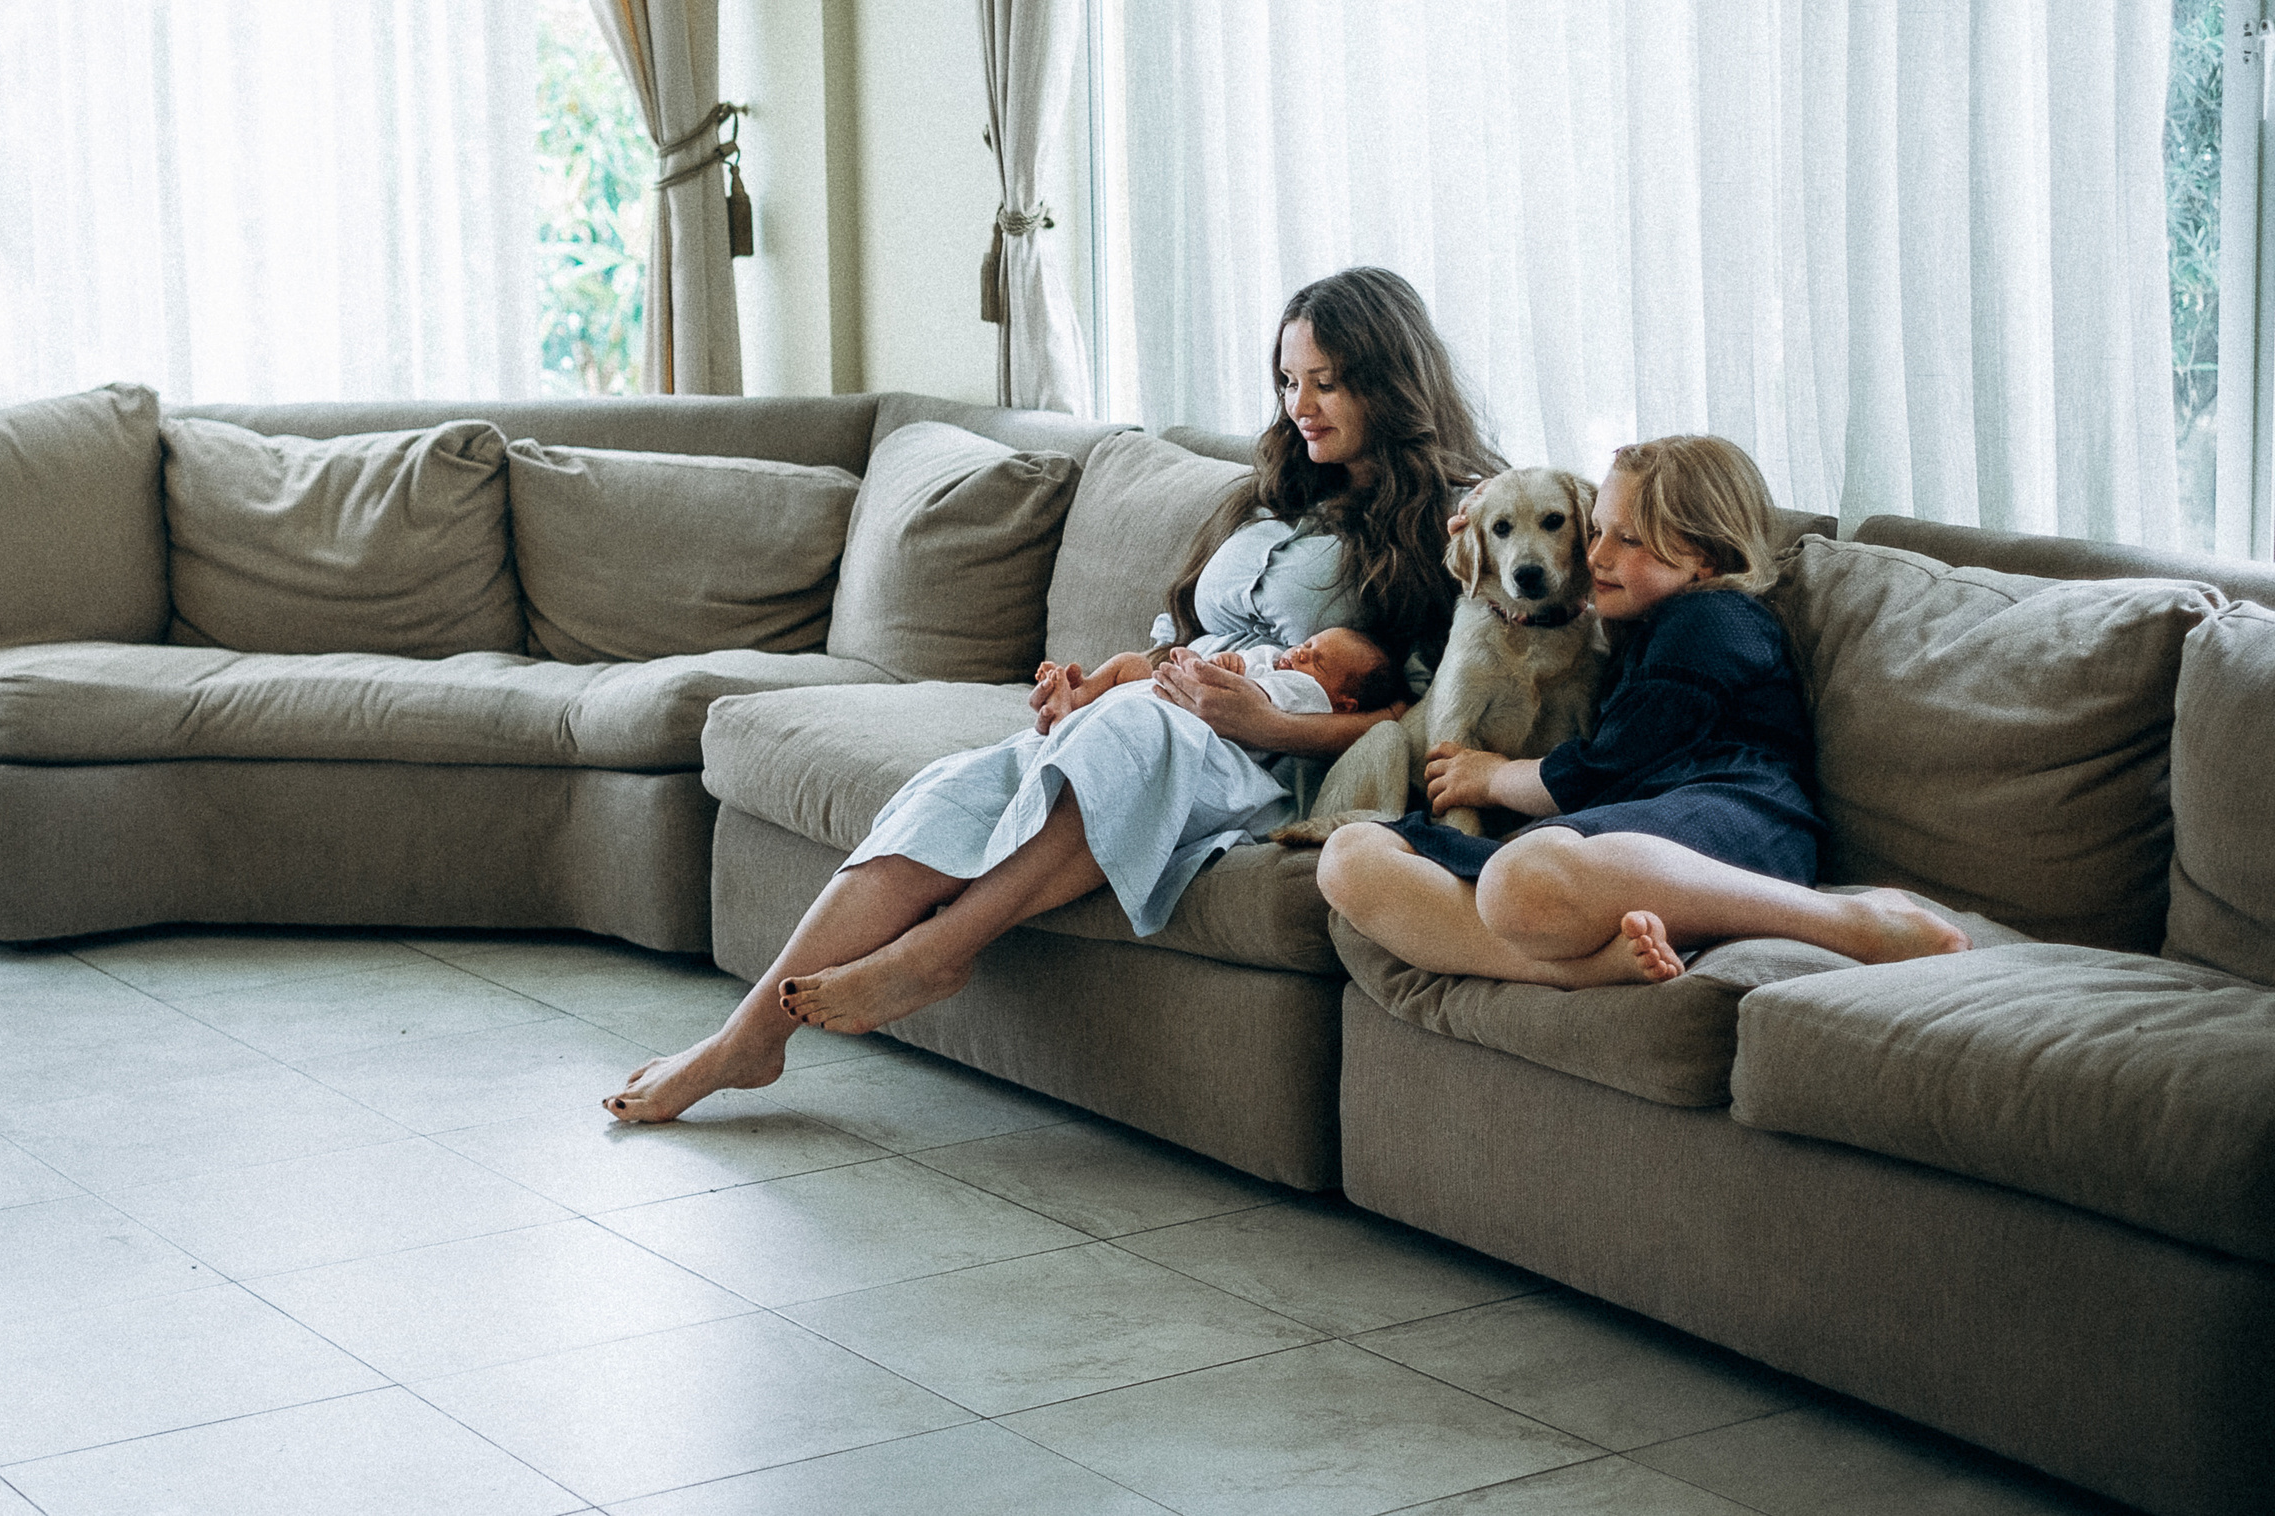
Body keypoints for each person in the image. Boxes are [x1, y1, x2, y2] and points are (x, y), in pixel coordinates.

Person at [605, 265, 1505, 1122]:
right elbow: (1184, 637)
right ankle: (745, 1041)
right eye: (1287, 382)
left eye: (1327, 384)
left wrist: (1267, 720)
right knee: (950, 792)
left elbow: (1426, 717)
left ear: (1390, 384)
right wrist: (1094, 686)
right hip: (1164, 712)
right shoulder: (1276, 493)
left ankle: (935, 953)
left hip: (1268, 762)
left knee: (1135, 742)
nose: (1298, 408)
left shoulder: (1453, 519)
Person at [1316, 434, 1972, 987]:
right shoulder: (1635, 628)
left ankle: (1851, 923)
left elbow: (1606, 765)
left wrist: (1488, 779)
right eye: (1595, 530)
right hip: (1627, 839)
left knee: (1520, 876)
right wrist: (1486, 514)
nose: (1595, 555)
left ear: (1703, 556)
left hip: (1736, 818)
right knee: (1348, 857)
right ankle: (1588, 967)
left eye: (1626, 540)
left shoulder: (1713, 616)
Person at [1035, 626, 1404, 728]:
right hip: (1176, 685)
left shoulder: (1310, 696)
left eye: (1316, 662)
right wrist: (1225, 661)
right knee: (1130, 662)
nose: (1301, 653)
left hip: (1195, 712)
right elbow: (1239, 670)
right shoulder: (1275, 659)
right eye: (1307, 643)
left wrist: (1202, 665)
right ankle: (1079, 697)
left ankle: (1072, 714)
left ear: (1343, 703)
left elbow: (1241, 701)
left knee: (1134, 679)